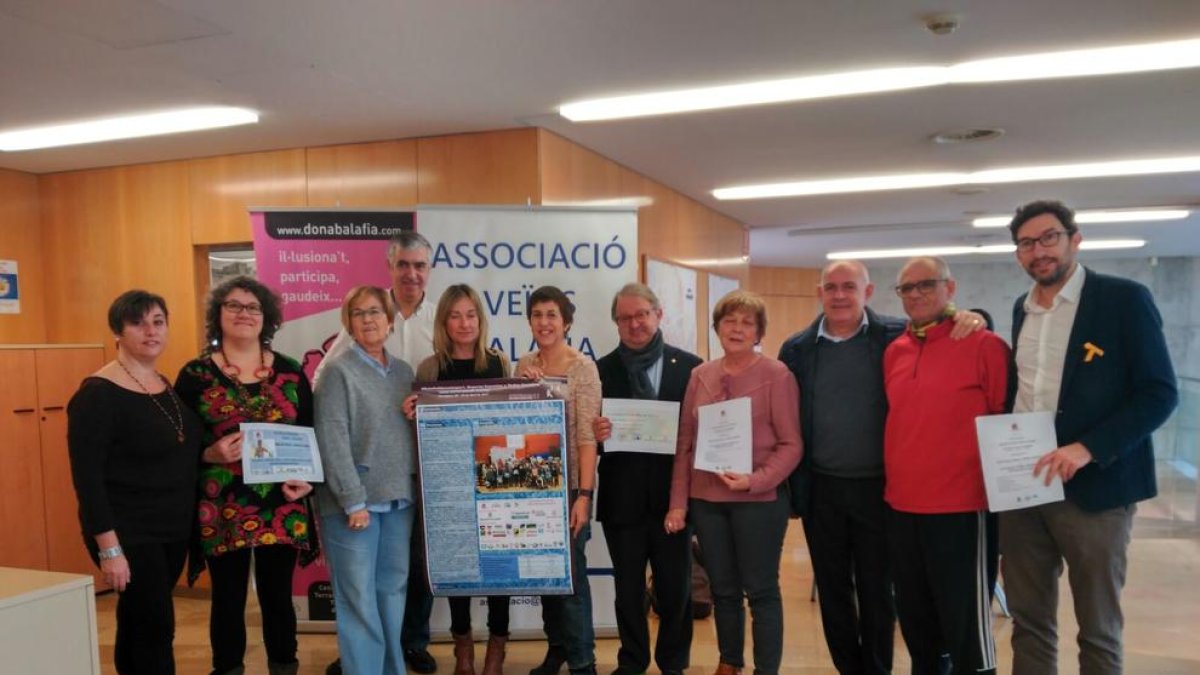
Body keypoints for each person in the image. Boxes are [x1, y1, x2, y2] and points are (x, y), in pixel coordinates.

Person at [777, 261, 987, 675]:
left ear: (868, 292)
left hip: (882, 489)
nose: (839, 295)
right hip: (821, 490)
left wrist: (972, 316)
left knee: (878, 592)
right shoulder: (797, 348)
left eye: (849, 287)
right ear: (820, 292)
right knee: (834, 592)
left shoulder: (896, 335)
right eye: (831, 287)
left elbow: (945, 332)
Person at [1001, 200, 1177, 674]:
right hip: (1023, 488)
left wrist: (1088, 449)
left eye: (1048, 237)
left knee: (1098, 629)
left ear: (1074, 239)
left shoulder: (1123, 299)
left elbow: (1159, 393)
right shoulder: (1023, 309)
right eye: (1026, 243)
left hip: (1097, 489)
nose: (1038, 250)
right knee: (1029, 621)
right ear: (1017, 253)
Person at [175, 276, 316, 675]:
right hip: (223, 504)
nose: (244, 314)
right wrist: (209, 451)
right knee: (228, 597)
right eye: (233, 305)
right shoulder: (195, 375)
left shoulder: (290, 372)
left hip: (282, 502)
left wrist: (309, 481)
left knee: (277, 596)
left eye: (253, 307)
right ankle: (228, 669)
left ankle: (284, 667)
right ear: (217, 315)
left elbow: (311, 435)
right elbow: (179, 440)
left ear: (266, 317)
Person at [318, 231, 438, 675]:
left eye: (375, 312)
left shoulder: (404, 372)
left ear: (389, 320)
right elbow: (331, 437)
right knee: (358, 598)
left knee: (392, 591)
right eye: (358, 313)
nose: (369, 319)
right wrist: (351, 499)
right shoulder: (337, 372)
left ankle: (393, 669)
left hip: (397, 500)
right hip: (356, 504)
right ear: (348, 322)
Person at [882, 257, 1009, 675]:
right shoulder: (894, 351)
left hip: (961, 508)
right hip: (901, 508)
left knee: (966, 630)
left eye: (926, 285)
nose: (916, 294)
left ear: (950, 288)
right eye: (906, 288)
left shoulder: (985, 345)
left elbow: (1006, 422)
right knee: (917, 626)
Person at [67, 290, 204, 674]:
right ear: (118, 331)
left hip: (171, 529)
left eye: (158, 321)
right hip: (129, 532)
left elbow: (178, 448)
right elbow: (87, 480)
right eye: (138, 322)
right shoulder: (98, 394)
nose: (150, 331)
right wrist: (109, 549)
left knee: (139, 624)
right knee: (157, 627)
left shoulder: (162, 383)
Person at [666, 290, 802, 675]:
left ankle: (765, 669)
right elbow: (684, 445)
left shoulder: (777, 375)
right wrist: (679, 503)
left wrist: (756, 480)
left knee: (760, 590)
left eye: (747, 322)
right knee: (722, 589)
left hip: (760, 501)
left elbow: (792, 444)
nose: (737, 328)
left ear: (759, 332)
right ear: (718, 327)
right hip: (708, 500)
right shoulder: (700, 376)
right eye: (730, 321)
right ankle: (729, 661)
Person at [401, 284, 514, 675]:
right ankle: (462, 645)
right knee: (458, 567)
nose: (464, 323)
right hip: (448, 483)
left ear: (480, 320)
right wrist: (412, 413)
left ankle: (497, 647)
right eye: (455, 315)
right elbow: (419, 433)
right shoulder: (429, 368)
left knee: (500, 566)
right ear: (444, 322)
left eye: (471, 315)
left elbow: (510, 423)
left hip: (494, 483)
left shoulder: (500, 363)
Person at [591, 283, 701, 675]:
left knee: (675, 590)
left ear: (658, 314)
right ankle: (632, 661)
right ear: (616, 323)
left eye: (641, 314)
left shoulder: (691, 367)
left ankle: (673, 662)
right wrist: (597, 433)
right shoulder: (599, 370)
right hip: (622, 500)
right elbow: (589, 443)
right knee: (628, 591)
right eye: (625, 318)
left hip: (674, 501)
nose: (634, 324)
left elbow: (701, 437)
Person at [515, 285, 602, 675]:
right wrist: (526, 387)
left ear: (565, 321)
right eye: (537, 315)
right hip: (533, 486)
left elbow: (587, 438)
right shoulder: (523, 364)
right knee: (544, 573)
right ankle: (558, 650)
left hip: (569, 488)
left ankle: (583, 660)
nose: (544, 322)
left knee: (572, 577)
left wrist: (583, 496)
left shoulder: (582, 367)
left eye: (552, 315)